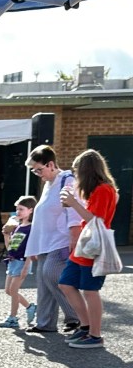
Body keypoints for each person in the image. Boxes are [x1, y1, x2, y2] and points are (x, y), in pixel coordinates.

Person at [58, 149, 119, 349]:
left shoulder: (104, 189)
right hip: (86, 245)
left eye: (77, 171)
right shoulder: (98, 189)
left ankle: (95, 335)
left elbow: (97, 221)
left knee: (90, 290)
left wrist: (74, 204)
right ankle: (85, 327)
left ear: (86, 170)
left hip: (94, 245)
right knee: (66, 284)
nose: (76, 176)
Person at [24, 145, 81, 334]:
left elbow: (74, 209)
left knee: (52, 275)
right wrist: (34, 246)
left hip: (61, 239)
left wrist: (74, 235)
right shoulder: (49, 184)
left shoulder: (67, 180)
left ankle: (76, 317)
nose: (38, 174)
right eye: (34, 171)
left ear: (50, 164)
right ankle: (45, 323)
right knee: (43, 281)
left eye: (39, 169)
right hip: (44, 242)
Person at [0, 196, 37, 329]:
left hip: (22, 262)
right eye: (17, 209)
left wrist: (27, 265)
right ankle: (30, 307)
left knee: (14, 290)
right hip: (13, 261)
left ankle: (13, 318)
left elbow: (31, 248)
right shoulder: (17, 227)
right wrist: (6, 235)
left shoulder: (31, 228)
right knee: (8, 290)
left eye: (21, 209)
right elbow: (10, 248)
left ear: (30, 210)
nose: (18, 212)